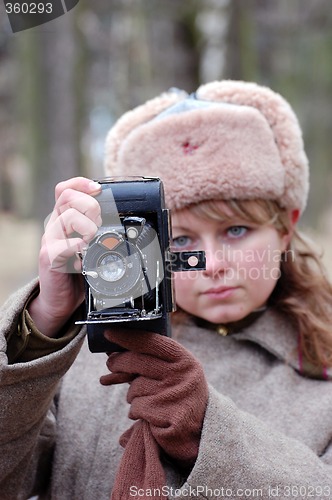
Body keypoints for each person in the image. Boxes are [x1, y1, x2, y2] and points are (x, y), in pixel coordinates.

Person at [1, 80, 332, 500]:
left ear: (286, 227)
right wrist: (42, 326)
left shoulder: (322, 374)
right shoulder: (84, 360)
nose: (212, 264)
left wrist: (206, 432)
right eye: (179, 240)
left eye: (236, 229)